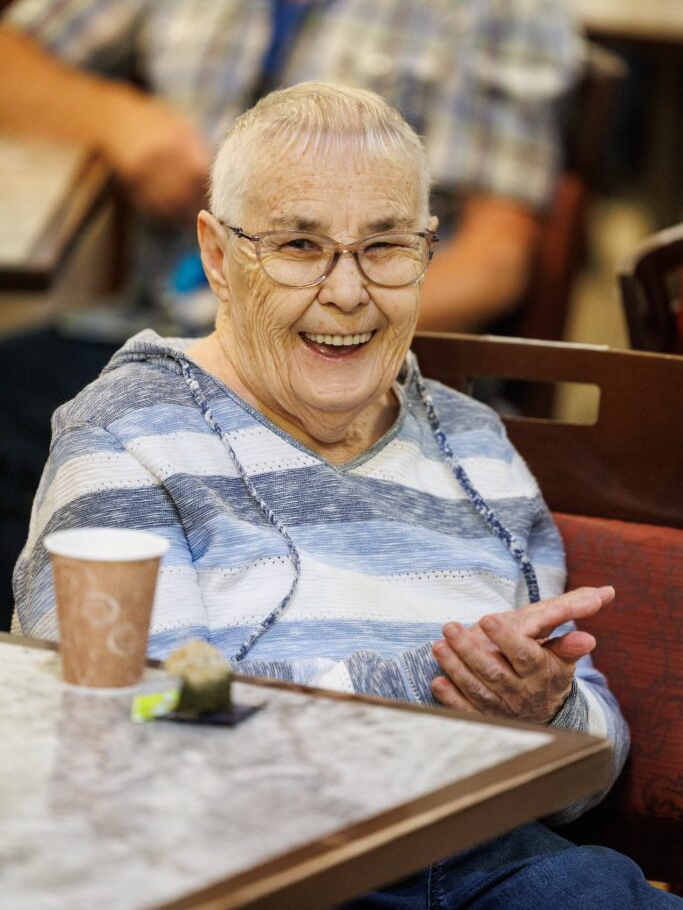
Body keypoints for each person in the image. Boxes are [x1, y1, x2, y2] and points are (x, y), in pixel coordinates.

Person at [13, 83, 681, 908]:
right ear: (218, 256)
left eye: (386, 246)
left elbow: (594, 759)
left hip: (496, 863)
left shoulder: (475, 443)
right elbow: (133, 721)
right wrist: (425, 693)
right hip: (250, 869)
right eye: (299, 245)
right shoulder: (129, 430)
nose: (347, 291)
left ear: (428, 248)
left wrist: (542, 714)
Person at [0, 0, 582, 617]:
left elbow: (500, 255)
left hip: (338, 361)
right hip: (153, 328)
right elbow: (11, 55)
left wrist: (340, 319)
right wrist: (119, 119)